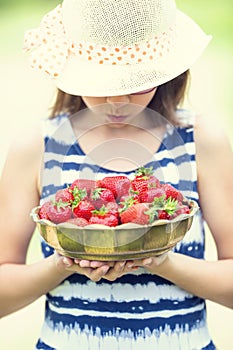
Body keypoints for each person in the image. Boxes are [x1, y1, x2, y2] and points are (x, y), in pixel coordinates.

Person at [0, 0, 232, 349]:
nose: (117, 98)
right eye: (99, 81)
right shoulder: (37, 146)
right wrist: (65, 263)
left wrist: (160, 260)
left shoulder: (201, 140)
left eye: (137, 81)